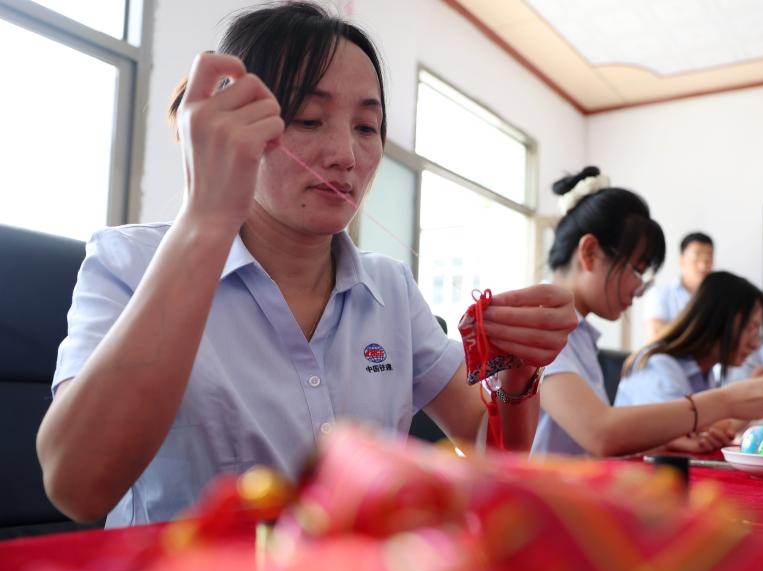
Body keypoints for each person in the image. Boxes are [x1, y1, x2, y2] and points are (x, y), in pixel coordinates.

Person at [36, 2, 577, 527]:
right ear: (232, 123)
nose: (345, 154)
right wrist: (205, 217)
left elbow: (488, 443)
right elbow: (79, 484)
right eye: (308, 118)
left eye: (367, 128)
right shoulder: (129, 263)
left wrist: (518, 375)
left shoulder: (391, 289)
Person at [531, 168, 763, 458]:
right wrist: (725, 401)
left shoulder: (576, 333)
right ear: (590, 252)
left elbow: (598, 446)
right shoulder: (538, 324)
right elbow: (600, 434)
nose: (639, 289)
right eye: (636, 270)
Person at [616, 271, 763, 451]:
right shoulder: (659, 366)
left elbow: (705, 432)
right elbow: (666, 434)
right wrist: (739, 402)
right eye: (751, 329)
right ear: (721, 320)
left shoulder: (705, 374)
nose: (756, 344)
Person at [645, 231, 713, 339]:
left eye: (708, 259)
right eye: (696, 258)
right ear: (682, 260)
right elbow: (656, 333)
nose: (703, 266)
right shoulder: (660, 293)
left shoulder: (718, 297)